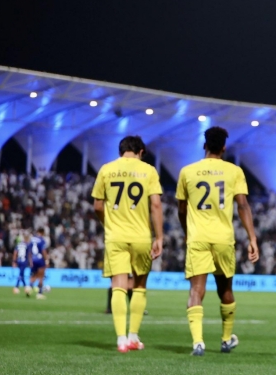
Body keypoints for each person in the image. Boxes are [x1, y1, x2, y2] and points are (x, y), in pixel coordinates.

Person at [177, 126, 259, 356]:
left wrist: (187, 232)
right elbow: (243, 205)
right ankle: (225, 340)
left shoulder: (187, 172)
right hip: (223, 239)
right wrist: (252, 238)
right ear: (224, 148)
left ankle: (198, 343)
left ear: (204, 145)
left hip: (198, 238)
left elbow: (181, 210)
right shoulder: (234, 171)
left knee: (196, 289)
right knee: (226, 290)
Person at [92, 135, 163, 352]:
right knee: (139, 286)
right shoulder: (149, 170)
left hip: (116, 237)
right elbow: (156, 205)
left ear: (120, 151)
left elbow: (97, 206)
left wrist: (109, 224)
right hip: (141, 237)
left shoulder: (106, 169)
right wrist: (159, 237)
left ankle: (121, 340)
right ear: (140, 152)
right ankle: (133, 337)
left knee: (118, 286)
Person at [28, 229, 49, 299]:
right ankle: (39, 293)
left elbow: (29, 251)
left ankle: (29, 288)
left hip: (33, 259)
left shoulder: (32, 239)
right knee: (41, 276)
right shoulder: (42, 240)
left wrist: (30, 261)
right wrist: (46, 260)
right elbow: (43, 251)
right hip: (40, 259)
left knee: (34, 275)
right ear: (42, 233)